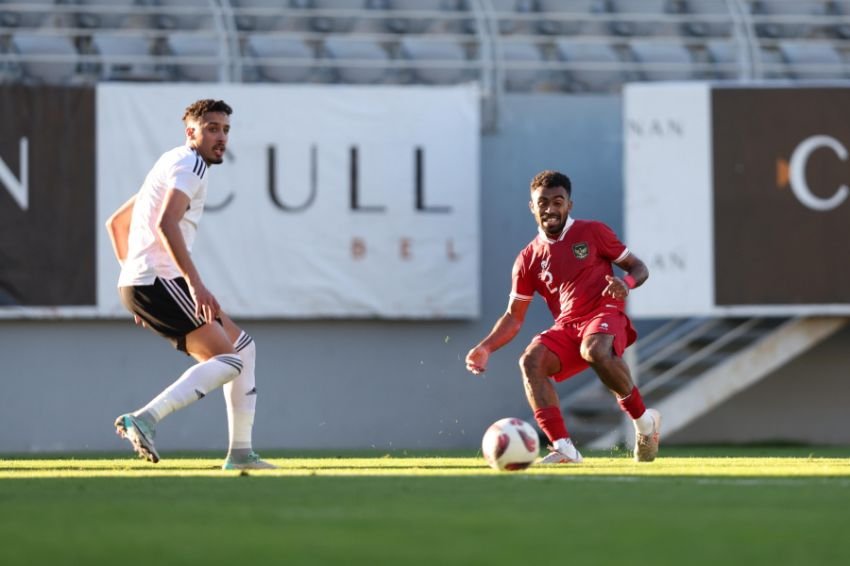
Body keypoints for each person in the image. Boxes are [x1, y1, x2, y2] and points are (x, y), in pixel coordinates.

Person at [105, 99, 274, 470]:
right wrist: (194, 286)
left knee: (243, 349)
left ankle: (241, 454)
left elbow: (115, 224)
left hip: (147, 282)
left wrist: (134, 283)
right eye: (212, 128)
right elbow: (167, 224)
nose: (221, 137)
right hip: (159, 280)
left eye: (226, 129)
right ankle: (145, 419)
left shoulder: (171, 161)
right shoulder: (192, 165)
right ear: (191, 132)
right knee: (228, 360)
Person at [465, 170, 660, 463]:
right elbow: (514, 317)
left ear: (569, 205)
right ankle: (564, 448)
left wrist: (626, 284)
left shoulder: (593, 232)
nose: (550, 209)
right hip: (568, 325)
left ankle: (645, 424)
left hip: (604, 311)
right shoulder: (528, 259)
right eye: (543, 202)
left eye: (558, 201)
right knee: (530, 361)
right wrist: (486, 347)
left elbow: (638, 267)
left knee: (594, 350)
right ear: (532, 207)